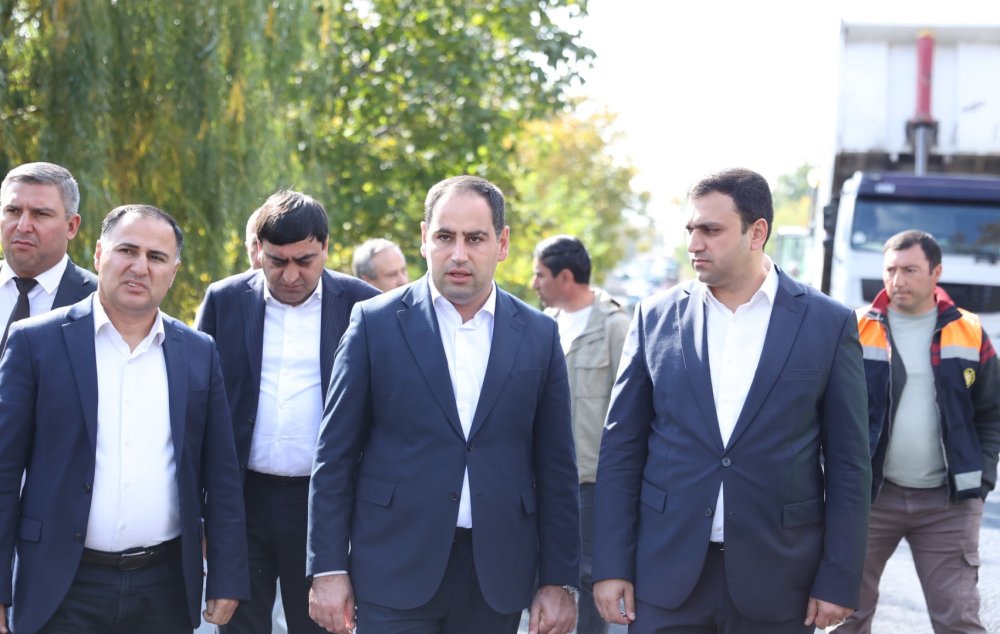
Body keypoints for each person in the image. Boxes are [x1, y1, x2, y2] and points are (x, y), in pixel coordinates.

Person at [592, 168, 872, 633]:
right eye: (690, 229)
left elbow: (849, 465)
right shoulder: (654, 317)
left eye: (710, 230)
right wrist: (611, 564)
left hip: (780, 581)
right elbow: (621, 449)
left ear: (756, 232)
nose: (694, 244)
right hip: (666, 576)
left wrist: (839, 579)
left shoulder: (828, 323)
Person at [308, 175, 580, 634]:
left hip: (496, 576)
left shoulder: (538, 335)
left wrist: (559, 580)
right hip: (393, 566)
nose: (458, 254)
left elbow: (556, 467)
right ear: (424, 238)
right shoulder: (374, 323)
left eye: (475, 238)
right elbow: (334, 455)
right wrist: (328, 568)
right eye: (444, 237)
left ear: (502, 243)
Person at [0, 204, 249, 634]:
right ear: (99, 254)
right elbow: (3, 471)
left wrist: (227, 574)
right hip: (61, 585)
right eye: (127, 250)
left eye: (156, 257)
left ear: (173, 271)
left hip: (164, 589)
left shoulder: (198, 352)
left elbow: (221, 475)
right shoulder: (35, 343)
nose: (140, 267)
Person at [195, 190, 379, 634]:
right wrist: (201, 511)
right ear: (258, 250)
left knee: (320, 624)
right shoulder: (224, 299)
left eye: (305, 260)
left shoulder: (365, 306)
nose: (291, 275)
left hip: (324, 503)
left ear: (326, 248)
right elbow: (199, 406)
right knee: (238, 626)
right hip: (242, 499)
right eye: (278, 261)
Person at [839, 230, 1000, 634]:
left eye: (910, 270)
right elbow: (827, 411)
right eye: (890, 270)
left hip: (947, 503)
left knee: (958, 619)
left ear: (936, 272)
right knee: (844, 615)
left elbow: (991, 411)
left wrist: (980, 480)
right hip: (870, 499)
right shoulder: (855, 327)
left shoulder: (969, 330)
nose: (897, 281)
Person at [531, 234, 628, 634]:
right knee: (541, 575)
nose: (534, 283)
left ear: (565, 277)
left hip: (589, 481)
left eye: (540, 275)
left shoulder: (615, 326)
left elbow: (631, 411)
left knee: (587, 576)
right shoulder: (543, 325)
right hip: (541, 477)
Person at [0, 162, 97, 351]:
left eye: (40, 214)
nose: (23, 226)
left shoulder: (99, 302)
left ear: (71, 226)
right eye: (13, 211)